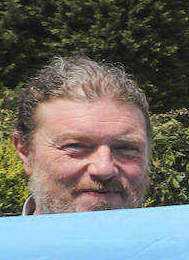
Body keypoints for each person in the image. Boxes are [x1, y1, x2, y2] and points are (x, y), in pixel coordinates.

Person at [12, 56, 152, 215]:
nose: (104, 169)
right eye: (75, 146)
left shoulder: (180, 238)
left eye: (126, 148)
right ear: (26, 152)